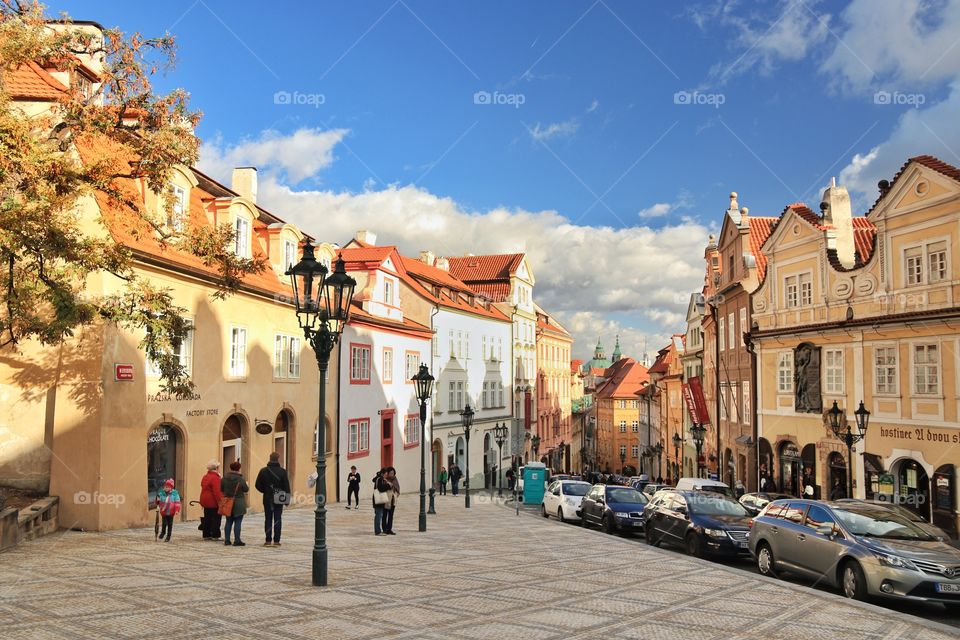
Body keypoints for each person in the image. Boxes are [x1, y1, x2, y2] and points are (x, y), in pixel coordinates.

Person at [255, 452, 290, 547]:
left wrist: (265, 490)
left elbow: (257, 485)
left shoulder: (263, 471)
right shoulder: (282, 471)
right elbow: (286, 486)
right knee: (278, 518)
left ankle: (268, 540)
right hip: (279, 495)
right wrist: (287, 500)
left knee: (268, 518)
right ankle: (277, 540)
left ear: (270, 458)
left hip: (267, 496)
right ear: (278, 459)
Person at [220, 460, 249, 547]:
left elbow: (221, 489)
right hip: (239, 502)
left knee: (228, 521)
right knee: (238, 521)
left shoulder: (224, 478)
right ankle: (237, 540)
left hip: (228, 501)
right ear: (239, 469)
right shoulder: (241, 479)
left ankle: (227, 540)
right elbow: (246, 489)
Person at [199, 460, 224, 540]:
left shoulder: (205, 476)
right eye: (219, 467)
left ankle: (206, 534)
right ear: (216, 468)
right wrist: (220, 502)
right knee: (216, 518)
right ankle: (215, 535)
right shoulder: (216, 478)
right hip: (213, 501)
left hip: (205, 500)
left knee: (207, 518)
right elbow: (217, 491)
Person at [372, 468, 391, 536]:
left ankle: (378, 530)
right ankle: (378, 531)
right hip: (378, 499)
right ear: (383, 473)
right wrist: (388, 485)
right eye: (386, 474)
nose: (386, 475)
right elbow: (380, 488)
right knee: (378, 515)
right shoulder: (380, 479)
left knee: (379, 515)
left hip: (378, 499)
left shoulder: (380, 479)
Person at [383, 467, 400, 535]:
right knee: (385, 515)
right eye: (390, 473)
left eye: (393, 473)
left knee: (391, 515)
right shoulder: (385, 480)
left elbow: (397, 488)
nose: (391, 474)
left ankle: (389, 529)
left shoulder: (395, 479)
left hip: (393, 500)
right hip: (386, 500)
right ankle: (384, 529)